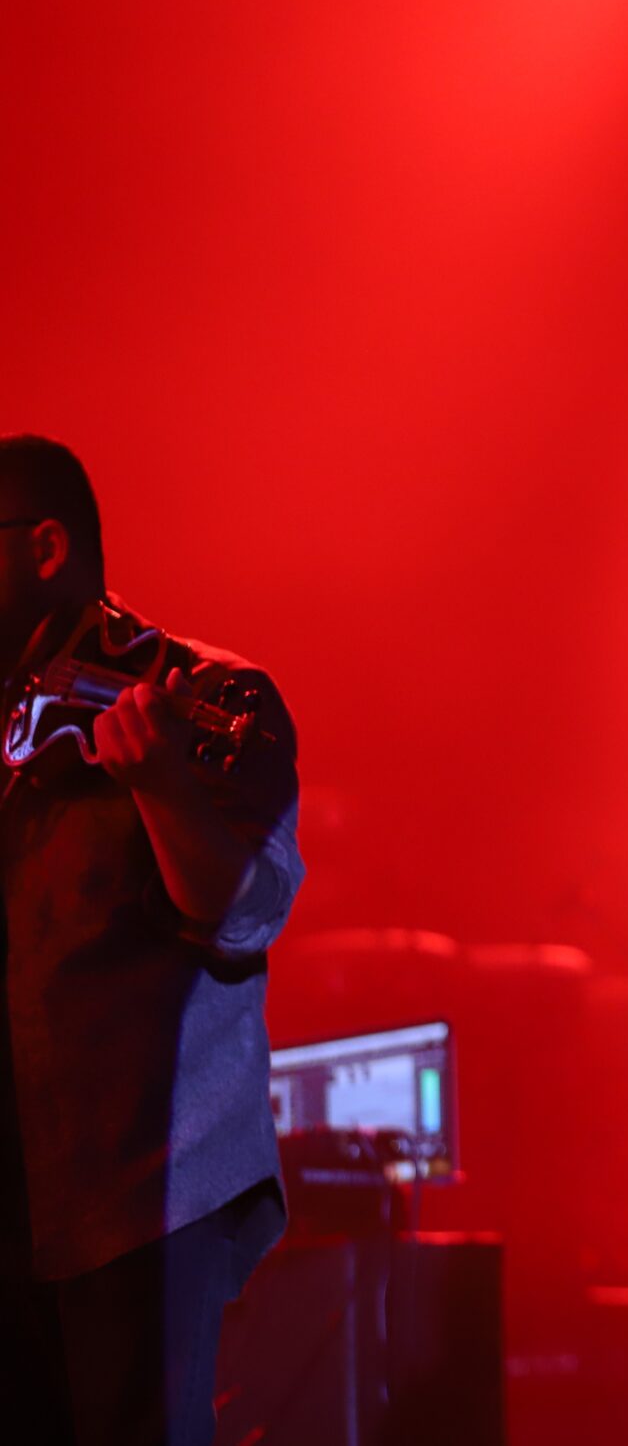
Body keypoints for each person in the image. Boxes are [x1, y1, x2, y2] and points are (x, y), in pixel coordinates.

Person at [0, 435, 307, 1446]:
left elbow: (244, 915)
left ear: (45, 548)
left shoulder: (210, 692)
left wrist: (164, 786)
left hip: (137, 1196)